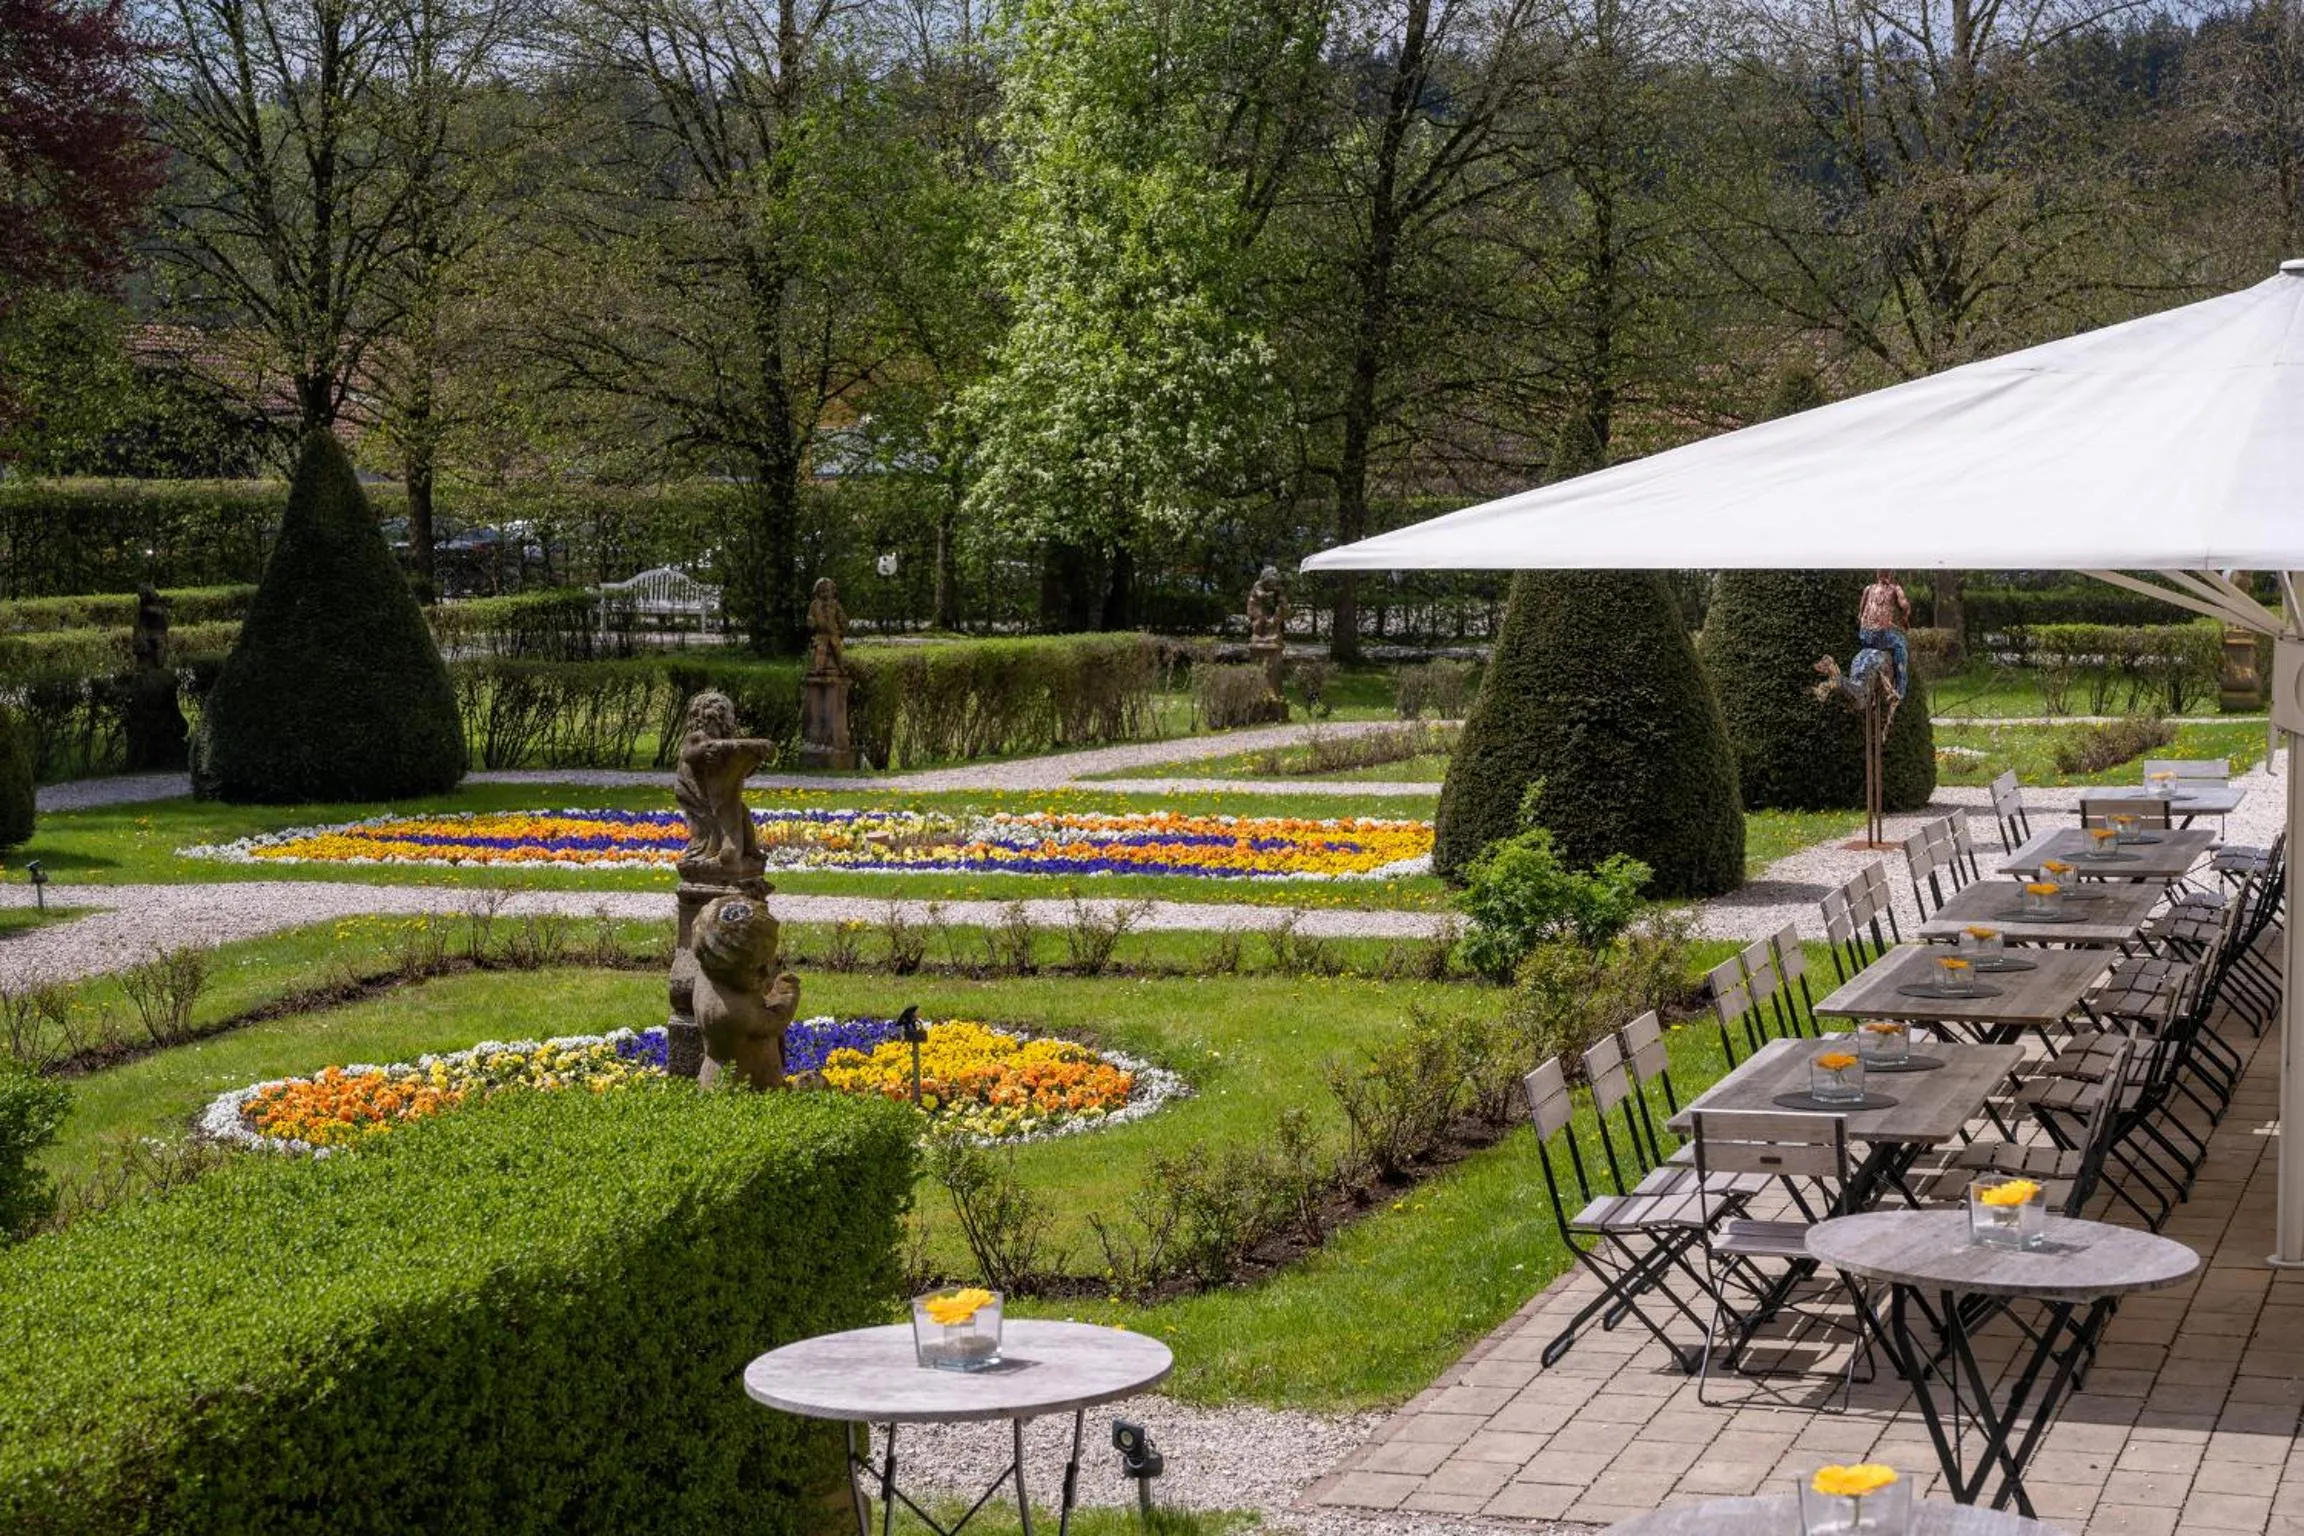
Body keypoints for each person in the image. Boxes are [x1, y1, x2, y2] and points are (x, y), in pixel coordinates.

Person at [1858, 569, 1911, 696]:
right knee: (1901, 644)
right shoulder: (1895, 589)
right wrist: (1905, 618)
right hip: (1880, 635)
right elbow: (1905, 606)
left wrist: (1886, 624)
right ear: (1891, 575)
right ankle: (1900, 691)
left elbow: (1860, 616)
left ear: (1877, 574)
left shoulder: (1868, 589)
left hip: (1864, 635)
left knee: (1890, 633)